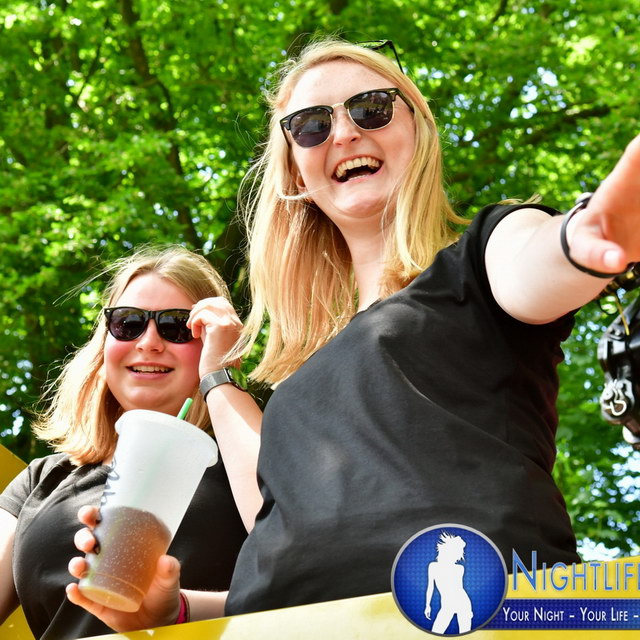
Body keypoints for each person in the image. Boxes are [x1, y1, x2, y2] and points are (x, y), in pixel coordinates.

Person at [67, 38, 640, 630]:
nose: (343, 133)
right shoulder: (297, 383)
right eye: (312, 125)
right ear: (295, 172)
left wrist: (591, 235)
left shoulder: (480, 259)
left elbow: (538, 261)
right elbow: (281, 536)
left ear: (417, 130)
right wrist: (173, 607)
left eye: (371, 108)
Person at [0, 246, 260, 639]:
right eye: (128, 323)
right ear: (104, 343)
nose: (149, 342)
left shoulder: (243, 458)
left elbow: (303, 559)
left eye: (177, 326)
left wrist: (219, 377)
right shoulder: (44, 479)